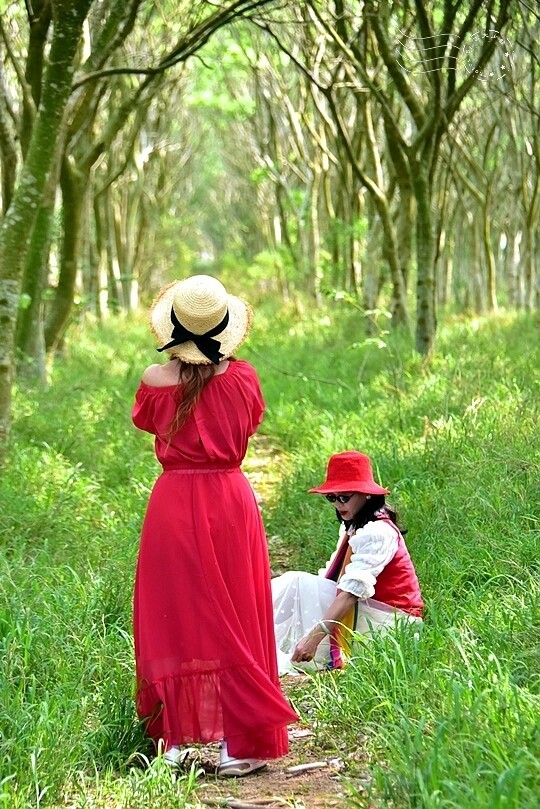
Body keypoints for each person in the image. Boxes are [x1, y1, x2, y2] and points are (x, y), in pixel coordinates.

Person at [131, 274, 298, 776]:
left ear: (174, 328)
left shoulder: (154, 379)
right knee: (239, 612)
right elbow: (249, 422)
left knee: (173, 614)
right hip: (229, 500)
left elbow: (146, 419)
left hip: (174, 503)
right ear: (223, 327)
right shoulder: (243, 378)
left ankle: (175, 740)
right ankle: (239, 745)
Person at [272, 451, 424, 674]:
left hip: (391, 624)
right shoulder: (353, 525)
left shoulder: (378, 531)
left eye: (344, 497)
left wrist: (314, 636)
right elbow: (331, 579)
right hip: (366, 612)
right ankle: (249, 633)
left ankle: (250, 637)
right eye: (332, 498)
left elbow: (351, 591)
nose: (338, 504)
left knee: (299, 583)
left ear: (367, 495)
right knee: (300, 584)